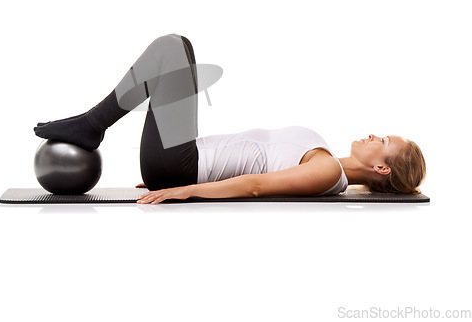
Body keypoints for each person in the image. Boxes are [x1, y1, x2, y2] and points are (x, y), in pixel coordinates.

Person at [34, 33, 427, 204]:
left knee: (173, 48)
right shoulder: (324, 156)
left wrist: (185, 188)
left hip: (181, 167)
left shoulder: (327, 172)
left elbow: (256, 185)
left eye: (384, 141)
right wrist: (169, 175)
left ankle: (92, 124)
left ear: (381, 167)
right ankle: (91, 124)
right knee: (176, 49)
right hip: (179, 162)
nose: (375, 135)